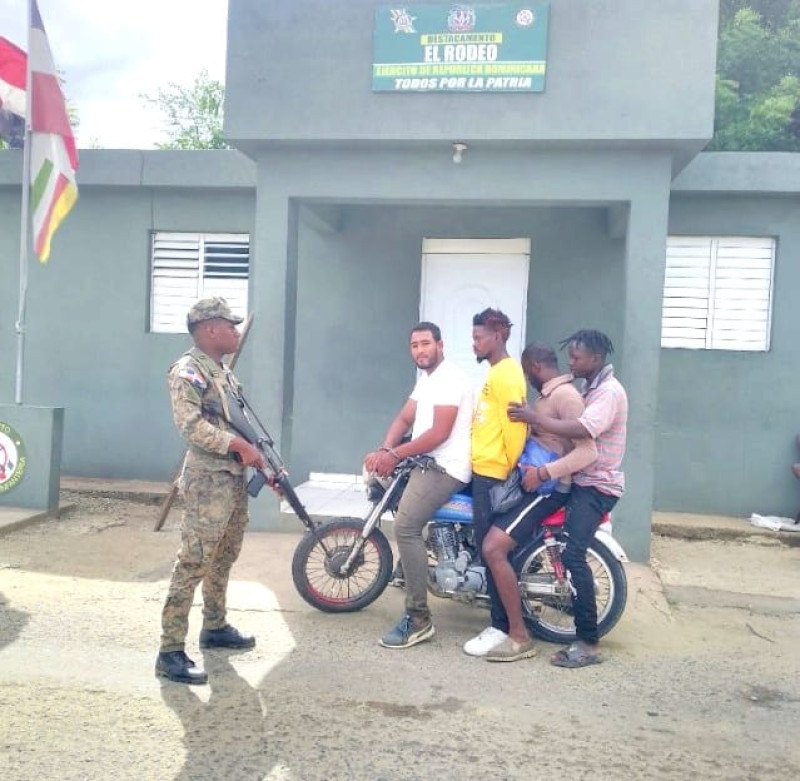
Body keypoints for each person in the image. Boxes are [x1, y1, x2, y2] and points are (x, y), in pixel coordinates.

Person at [155, 297, 268, 685]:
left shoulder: (222, 373)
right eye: (230, 325)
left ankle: (214, 626)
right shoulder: (188, 371)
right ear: (209, 329)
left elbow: (241, 425)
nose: (236, 331)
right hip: (208, 481)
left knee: (224, 556)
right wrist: (238, 447)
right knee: (194, 561)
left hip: (232, 480)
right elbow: (190, 427)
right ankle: (169, 650)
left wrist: (261, 460)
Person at [509, 329, 627, 668]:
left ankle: (588, 642)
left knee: (575, 555)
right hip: (583, 481)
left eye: (576, 357)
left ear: (595, 358)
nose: (571, 363)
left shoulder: (607, 393)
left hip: (596, 485)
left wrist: (536, 420)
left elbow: (582, 433)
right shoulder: (590, 388)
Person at [480, 343, 598, 662]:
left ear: (533, 366)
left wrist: (544, 472)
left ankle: (519, 636)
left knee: (493, 547)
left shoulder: (566, 397)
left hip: (550, 490)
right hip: (534, 482)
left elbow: (588, 451)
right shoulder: (547, 397)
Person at [364, 322, 473, 649]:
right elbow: (402, 420)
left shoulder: (451, 379)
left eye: (426, 343)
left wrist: (395, 454)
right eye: (414, 345)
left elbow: (438, 434)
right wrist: (386, 449)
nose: (420, 350)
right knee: (403, 506)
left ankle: (419, 617)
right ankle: (410, 571)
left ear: (441, 345)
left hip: (445, 467)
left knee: (406, 527)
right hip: (426, 461)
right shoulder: (428, 381)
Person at [462, 308, 528, 658]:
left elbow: (515, 430)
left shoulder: (506, 374)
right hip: (483, 470)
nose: (474, 343)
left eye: (479, 337)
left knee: (493, 554)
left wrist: (504, 470)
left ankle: (501, 627)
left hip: (493, 475)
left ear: (498, 334)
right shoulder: (496, 372)